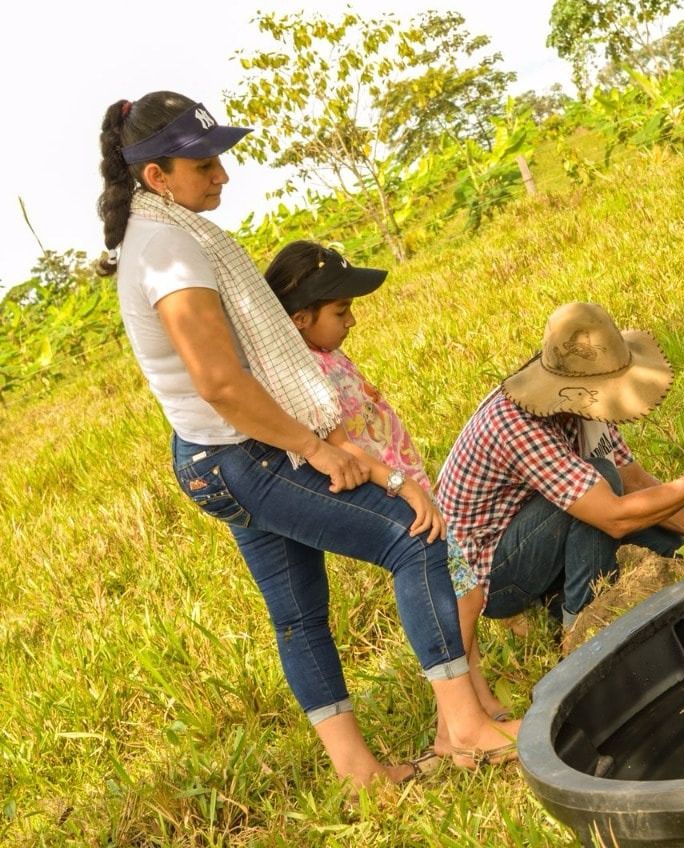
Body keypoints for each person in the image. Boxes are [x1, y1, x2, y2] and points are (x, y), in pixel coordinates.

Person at [97, 91, 518, 790]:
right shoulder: (169, 251)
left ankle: (361, 777)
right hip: (242, 452)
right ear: (156, 177)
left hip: (208, 459)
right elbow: (220, 382)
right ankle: (467, 731)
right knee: (413, 537)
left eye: (219, 159)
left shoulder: (161, 236)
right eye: (202, 164)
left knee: (298, 615)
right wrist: (320, 448)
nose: (221, 175)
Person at [263, 239, 510, 733]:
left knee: (461, 588)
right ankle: (452, 722)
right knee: (463, 595)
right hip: (395, 492)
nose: (350, 320)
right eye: (340, 310)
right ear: (298, 318)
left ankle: (478, 698)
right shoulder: (305, 372)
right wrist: (398, 485)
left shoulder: (328, 355)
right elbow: (338, 446)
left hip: (410, 483)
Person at [435, 302, 684, 642]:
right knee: (602, 480)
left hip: (537, 527)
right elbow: (614, 517)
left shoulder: (583, 406)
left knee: (671, 546)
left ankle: (559, 594)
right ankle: (581, 628)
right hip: (492, 572)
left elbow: (634, 482)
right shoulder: (517, 425)